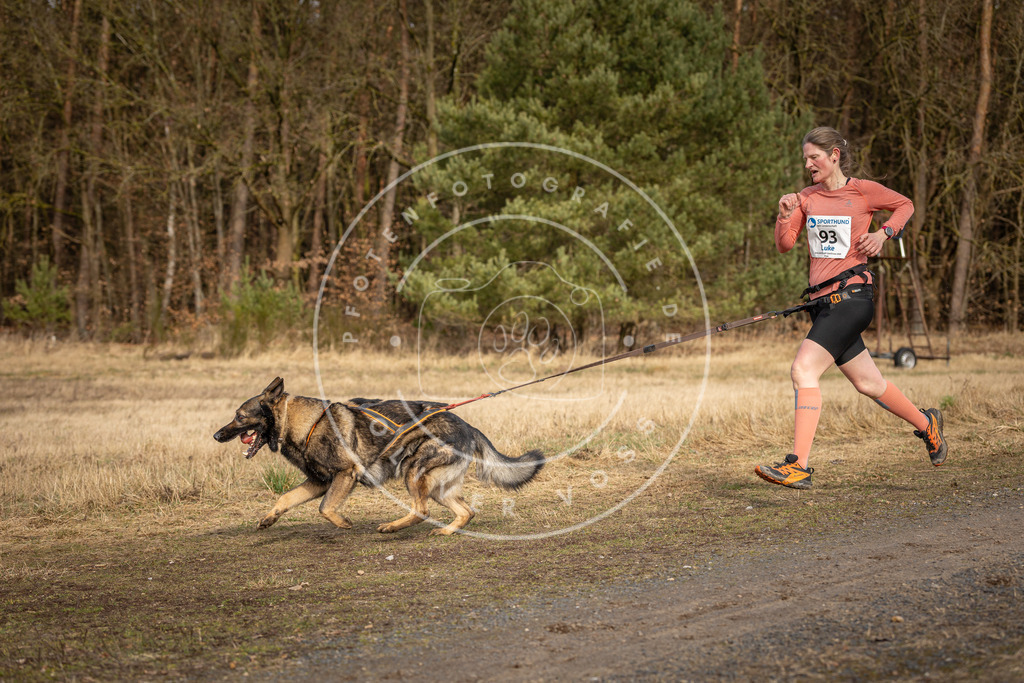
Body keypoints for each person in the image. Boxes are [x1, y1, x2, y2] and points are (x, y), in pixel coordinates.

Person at [754, 126, 946, 489]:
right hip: (822, 304)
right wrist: (784, 214)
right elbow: (785, 244)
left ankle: (798, 465)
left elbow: (906, 204)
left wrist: (883, 233)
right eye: (805, 159)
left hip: (853, 298)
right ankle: (927, 424)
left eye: (815, 157)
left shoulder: (862, 191)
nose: (808, 164)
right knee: (869, 383)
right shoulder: (805, 198)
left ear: (834, 156)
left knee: (802, 370)